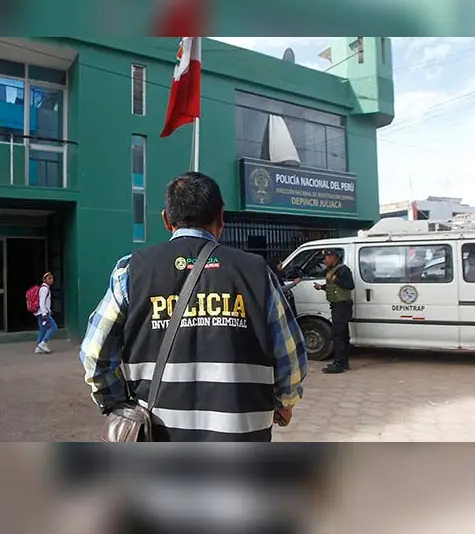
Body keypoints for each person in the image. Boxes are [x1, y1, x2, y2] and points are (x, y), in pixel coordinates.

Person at [80, 171, 309, 442]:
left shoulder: (131, 272)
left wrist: (117, 403)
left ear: (166, 219)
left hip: (159, 438)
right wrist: (285, 401)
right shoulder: (257, 273)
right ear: (222, 217)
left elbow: (95, 354)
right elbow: (290, 356)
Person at [313, 248, 354, 374]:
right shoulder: (333, 270)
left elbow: (349, 285)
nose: (325, 260)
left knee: (338, 335)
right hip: (337, 305)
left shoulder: (343, 270)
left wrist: (336, 279)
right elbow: (334, 287)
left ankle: (339, 364)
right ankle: (343, 362)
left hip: (342, 306)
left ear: (333, 257)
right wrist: (322, 287)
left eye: (326, 257)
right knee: (342, 334)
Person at [35, 272, 57, 354]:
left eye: (52, 278)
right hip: (43, 313)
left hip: (40, 312)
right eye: (49, 278)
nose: (51, 280)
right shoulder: (44, 289)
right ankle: (43, 343)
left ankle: (38, 347)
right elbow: (42, 302)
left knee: (42, 329)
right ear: (44, 280)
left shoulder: (45, 288)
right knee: (53, 327)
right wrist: (44, 313)